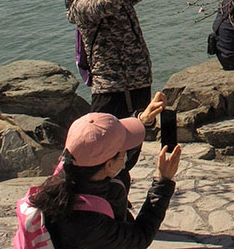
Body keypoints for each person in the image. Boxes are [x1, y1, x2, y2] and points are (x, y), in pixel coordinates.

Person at [66, 0, 169, 180]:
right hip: (111, 90)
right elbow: (109, 2)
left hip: (138, 84)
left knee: (129, 152)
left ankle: (118, 196)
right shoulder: (84, 3)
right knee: (103, 153)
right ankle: (98, 195)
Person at [24, 101, 181, 249]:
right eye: (123, 151)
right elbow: (139, 237)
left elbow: (103, 149)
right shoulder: (88, 223)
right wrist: (163, 182)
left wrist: (142, 121)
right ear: (109, 165)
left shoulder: (72, 165)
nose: (126, 154)